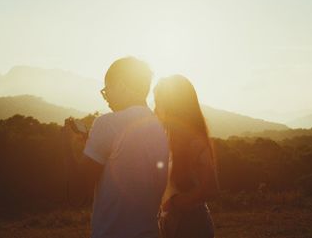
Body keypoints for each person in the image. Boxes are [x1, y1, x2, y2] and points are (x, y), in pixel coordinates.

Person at [63, 57, 169, 238]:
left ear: (120, 85)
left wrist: (69, 145)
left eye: (107, 90)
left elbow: (77, 192)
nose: (107, 99)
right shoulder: (161, 127)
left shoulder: (108, 123)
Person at [154, 75, 219, 238]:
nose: (155, 110)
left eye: (158, 104)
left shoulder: (195, 143)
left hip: (191, 226)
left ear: (174, 107)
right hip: (169, 223)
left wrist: (175, 203)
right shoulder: (167, 140)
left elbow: (210, 189)